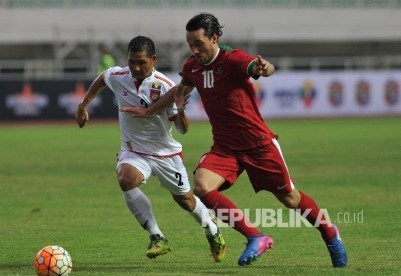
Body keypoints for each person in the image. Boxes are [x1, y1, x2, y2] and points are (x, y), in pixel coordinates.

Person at [120, 13, 348, 268]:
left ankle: (330, 233)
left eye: (199, 44)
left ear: (214, 38)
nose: (194, 50)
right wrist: (151, 110)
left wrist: (266, 68)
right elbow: (179, 90)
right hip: (226, 147)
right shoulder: (192, 67)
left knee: (290, 199)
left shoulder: (233, 59)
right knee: (203, 187)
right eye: (190, 45)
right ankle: (255, 236)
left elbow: (261, 68)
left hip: (258, 143)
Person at [75, 35, 226, 261]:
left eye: (141, 62)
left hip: (166, 154)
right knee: (126, 179)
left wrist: (181, 111)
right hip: (134, 151)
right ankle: (157, 237)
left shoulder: (166, 87)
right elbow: (102, 78)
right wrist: (84, 104)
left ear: (153, 59)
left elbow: (183, 130)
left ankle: (212, 230)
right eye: (131, 61)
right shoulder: (119, 76)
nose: (135, 67)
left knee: (185, 200)